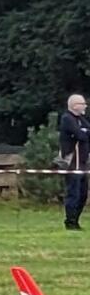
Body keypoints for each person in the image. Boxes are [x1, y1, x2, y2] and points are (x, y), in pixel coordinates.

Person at [62, 94, 89, 230]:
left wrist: (84, 131)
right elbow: (80, 135)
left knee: (83, 194)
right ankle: (70, 222)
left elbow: (86, 132)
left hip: (83, 163)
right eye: (82, 104)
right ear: (74, 106)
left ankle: (76, 220)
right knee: (74, 193)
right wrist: (83, 132)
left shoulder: (81, 120)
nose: (85, 106)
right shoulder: (67, 118)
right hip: (73, 162)